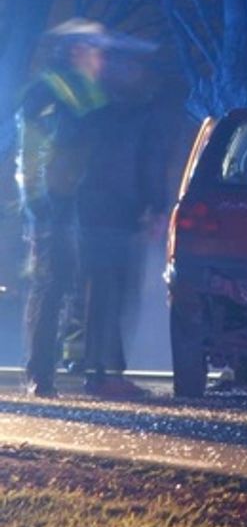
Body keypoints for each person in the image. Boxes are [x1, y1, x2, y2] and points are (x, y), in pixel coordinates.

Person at [16, 19, 113, 397]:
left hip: (87, 207)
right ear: (76, 50)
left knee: (86, 288)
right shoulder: (47, 91)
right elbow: (32, 151)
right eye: (96, 48)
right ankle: (40, 374)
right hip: (57, 208)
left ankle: (90, 371)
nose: (102, 57)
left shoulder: (89, 90)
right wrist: (38, 206)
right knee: (51, 287)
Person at [74, 48, 165, 398]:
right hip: (121, 214)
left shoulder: (94, 117)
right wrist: (155, 208)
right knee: (117, 293)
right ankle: (108, 373)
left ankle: (97, 370)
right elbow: (150, 168)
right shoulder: (146, 119)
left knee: (97, 294)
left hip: (90, 212)